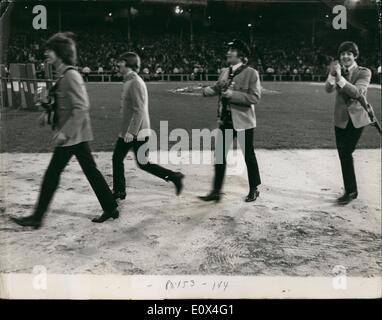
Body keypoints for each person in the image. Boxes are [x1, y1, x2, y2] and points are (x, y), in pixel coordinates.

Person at [11, 32, 119, 228]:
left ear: (59, 52)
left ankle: (37, 217)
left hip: (71, 136)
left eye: (49, 50)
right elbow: (62, 105)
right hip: (75, 136)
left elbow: (82, 106)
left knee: (52, 174)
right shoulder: (63, 74)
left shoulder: (71, 75)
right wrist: (47, 112)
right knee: (91, 171)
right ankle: (111, 207)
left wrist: (65, 132)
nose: (46, 53)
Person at [98, 52, 184, 207]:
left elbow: (139, 110)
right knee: (127, 160)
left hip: (136, 131)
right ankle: (120, 190)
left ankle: (173, 176)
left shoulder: (135, 82)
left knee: (134, 161)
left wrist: (132, 132)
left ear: (128, 63)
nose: (118, 65)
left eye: (121, 62)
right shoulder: (129, 81)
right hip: (131, 131)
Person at [199, 39, 262, 203]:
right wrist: (207, 91)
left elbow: (255, 97)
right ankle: (216, 191)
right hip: (225, 121)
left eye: (232, 50)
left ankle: (254, 188)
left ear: (241, 55)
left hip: (243, 122)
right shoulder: (225, 71)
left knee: (248, 155)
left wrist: (232, 95)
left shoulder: (251, 73)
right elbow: (218, 88)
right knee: (219, 155)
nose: (228, 52)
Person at [325, 41, 372, 205]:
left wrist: (339, 77)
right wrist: (332, 75)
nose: (345, 56)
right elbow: (328, 89)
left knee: (345, 152)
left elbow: (357, 92)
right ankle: (350, 189)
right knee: (342, 154)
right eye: (343, 53)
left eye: (349, 54)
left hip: (357, 119)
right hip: (340, 119)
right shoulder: (338, 70)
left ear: (355, 56)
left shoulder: (364, 72)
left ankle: (351, 191)